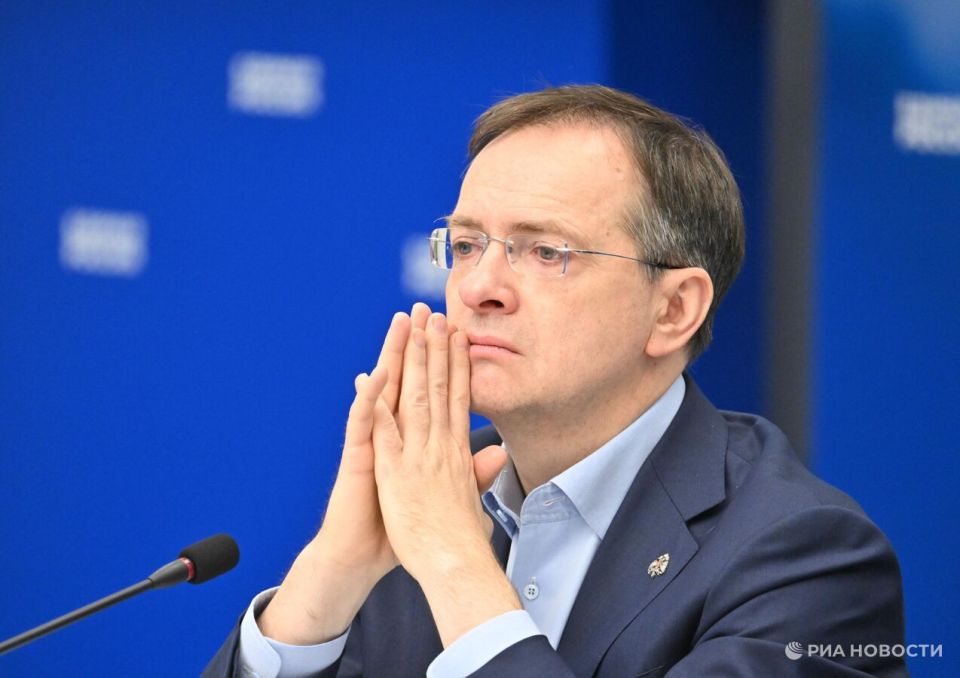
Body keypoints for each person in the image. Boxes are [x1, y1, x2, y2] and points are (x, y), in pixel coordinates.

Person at [204, 85, 905, 677]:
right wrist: (330, 574)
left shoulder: (810, 560)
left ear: (673, 309)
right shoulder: (431, 494)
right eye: (467, 245)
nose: (478, 288)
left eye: (545, 251)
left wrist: (453, 561)